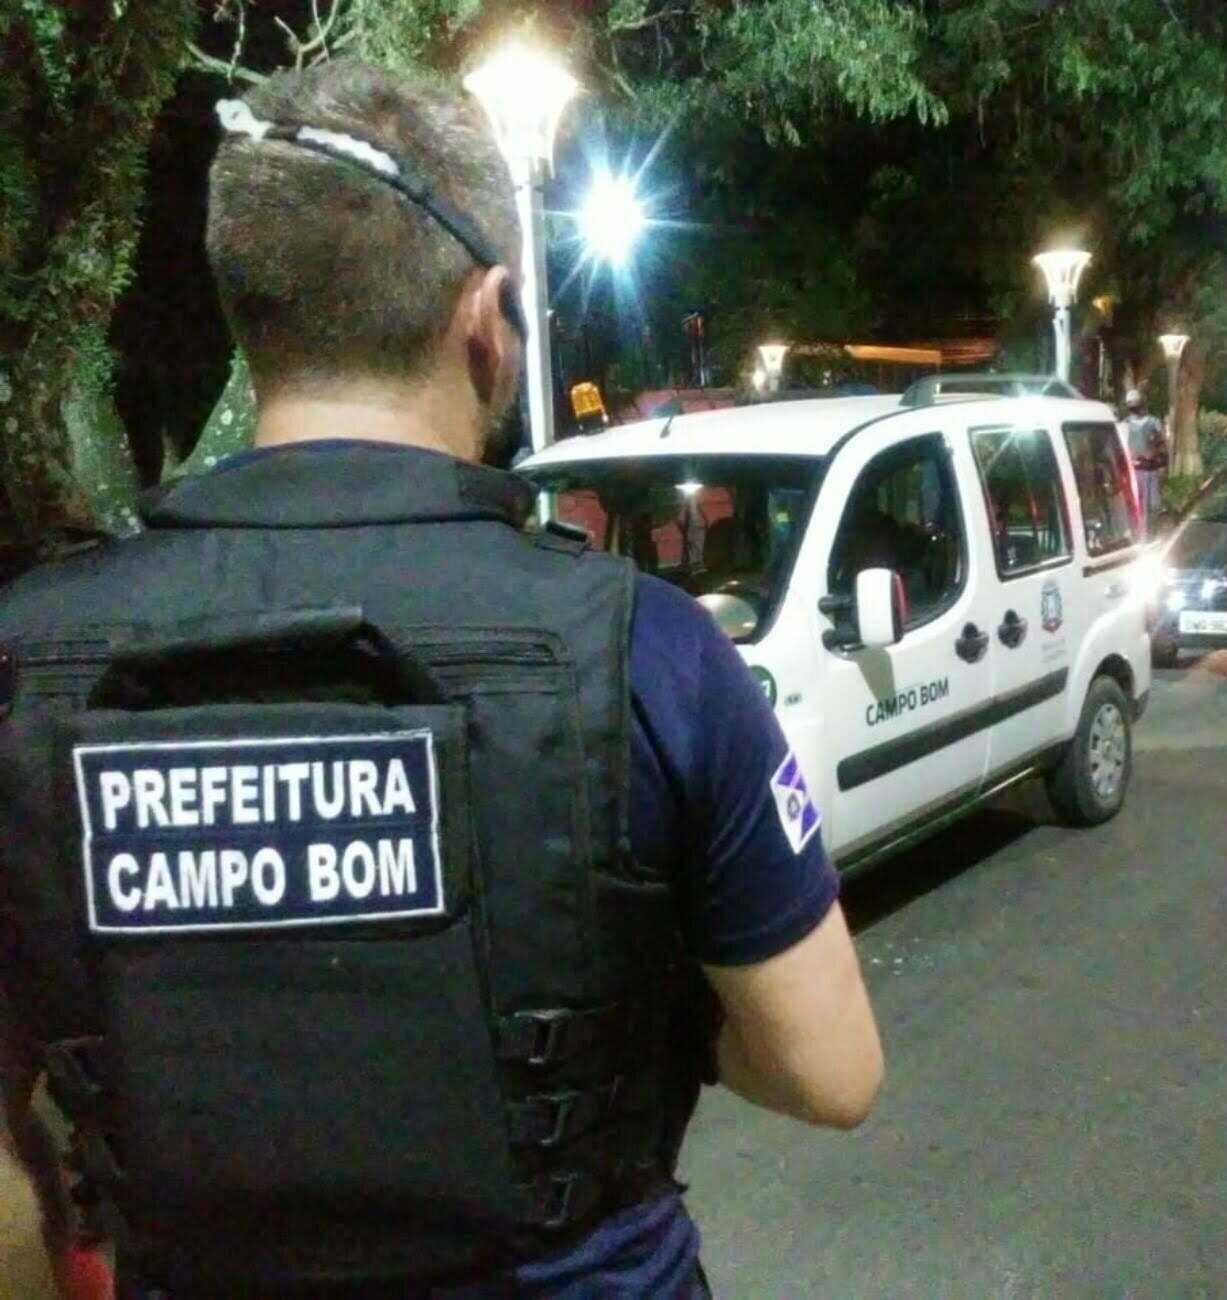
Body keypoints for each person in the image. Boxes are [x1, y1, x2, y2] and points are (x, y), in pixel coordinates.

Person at [0, 61, 881, 1297]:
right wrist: (659, 1012)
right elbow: (830, 1070)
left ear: (251, 310)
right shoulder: (647, 648)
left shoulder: (25, 660)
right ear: (488, 315)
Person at [1122, 389, 1167, 532]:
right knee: (1137, 505)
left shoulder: (1154, 423)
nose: (1134, 406)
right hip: (1134, 472)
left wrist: (1162, 464)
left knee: (1154, 505)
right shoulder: (1124, 425)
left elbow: (1162, 445)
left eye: (1136, 402)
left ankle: (1152, 532)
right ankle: (1140, 533)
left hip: (1152, 470)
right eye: (1131, 403)